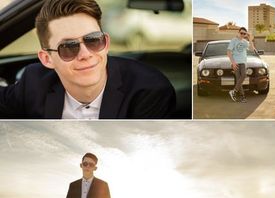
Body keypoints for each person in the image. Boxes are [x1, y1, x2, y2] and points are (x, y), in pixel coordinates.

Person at [0, 0, 175, 119]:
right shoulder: (33, 82)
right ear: (47, 59)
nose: (85, 54)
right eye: (68, 47)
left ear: (106, 43)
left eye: (93, 40)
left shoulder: (150, 91)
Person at [227, 27, 257, 103]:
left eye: (244, 33)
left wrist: (250, 39)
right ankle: (242, 97)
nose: (242, 35)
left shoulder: (245, 42)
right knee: (238, 79)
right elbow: (228, 52)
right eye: (241, 33)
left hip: (243, 62)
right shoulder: (234, 40)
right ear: (238, 32)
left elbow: (252, 49)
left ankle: (234, 91)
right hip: (236, 62)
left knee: (243, 75)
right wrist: (233, 62)